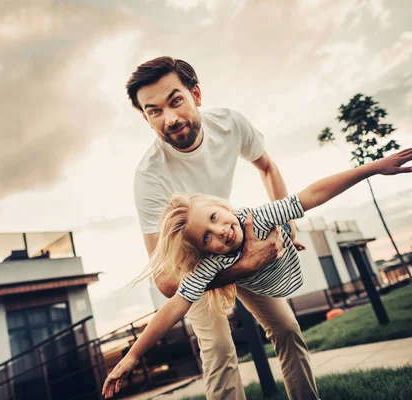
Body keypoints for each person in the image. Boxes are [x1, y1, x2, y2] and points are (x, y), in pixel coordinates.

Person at [103, 145, 412, 399]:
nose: (220, 233)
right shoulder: (212, 263)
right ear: (203, 250)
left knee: (287, 327)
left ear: (223, 206)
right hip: (241, 273)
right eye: (207, 237)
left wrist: (373, 168)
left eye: (215, 218)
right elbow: (175, 305)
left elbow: (311, 195)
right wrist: (133, 356)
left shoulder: (257, 217)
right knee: (217, 346)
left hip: (275, 260)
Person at [129, 56, 315, 400]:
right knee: (218, 348)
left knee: (287, 328)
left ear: (196, 94)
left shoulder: (229, 124)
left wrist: (285, 228)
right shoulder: (149, 177)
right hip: (192, 267)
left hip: (233, 240)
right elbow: (166, 281)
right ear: (145, 117)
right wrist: (243, 268)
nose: (169, 119)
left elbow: (267, 166)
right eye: (154, 111)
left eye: (175, 101)